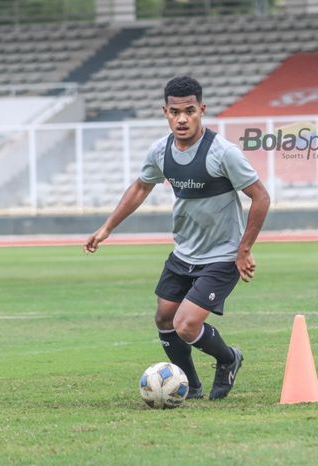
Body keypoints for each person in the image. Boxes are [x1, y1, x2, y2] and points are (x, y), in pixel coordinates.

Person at [84, 76, 271, 400]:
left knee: (186, 325)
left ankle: (228, 359)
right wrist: (108, 227)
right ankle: (192, 386)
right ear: (165, 112)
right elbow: (141, 186)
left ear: (202, 109)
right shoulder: (161, 151)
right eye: (175, 112)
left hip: (222, 255)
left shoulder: (222, 153)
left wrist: (244, 249)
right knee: (164, 317)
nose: (182, 119)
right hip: (183, 253)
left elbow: (261, 197)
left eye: (189, 111)